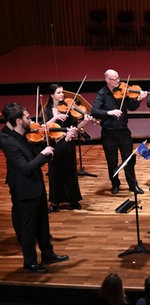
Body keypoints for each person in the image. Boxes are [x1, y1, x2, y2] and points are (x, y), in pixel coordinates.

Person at [1, 102, 69, 273]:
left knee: (42, 223)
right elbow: (25, 167)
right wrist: (42, 154)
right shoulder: (8, 141)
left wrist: (58, 141)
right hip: (24, 189)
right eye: (27, 117)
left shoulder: (22, 134)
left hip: (35, 185)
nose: (31, 121)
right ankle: (30, 261)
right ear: (17, 121)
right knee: (29, 228)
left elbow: (35, 153)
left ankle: (47, 254)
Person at [91, 69, 147, 195]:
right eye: (114, 79)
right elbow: (94, 111)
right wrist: (109, 112)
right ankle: (115, 184)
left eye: (118, 78)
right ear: (107, 80)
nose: (118, 81)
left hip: (123, 132)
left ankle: (133, 185)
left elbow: (131, 107)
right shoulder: (102, 94)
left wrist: (138, 99)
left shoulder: (123, 91)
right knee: (112, 161)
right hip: (108, 134)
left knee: (129, 160)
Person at [43, 84, 93, 213]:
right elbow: (43, 127)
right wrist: (54, 118)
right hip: (54, 144)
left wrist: (84, 122)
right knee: (55, 173)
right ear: (52, 95)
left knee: (70, 172)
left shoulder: (69, 109)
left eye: (62, 92)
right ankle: (55, 202)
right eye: (59, 92)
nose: (62, 95)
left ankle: (73, 200)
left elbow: (75, 128)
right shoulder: (47, 110)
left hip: (68, 143)